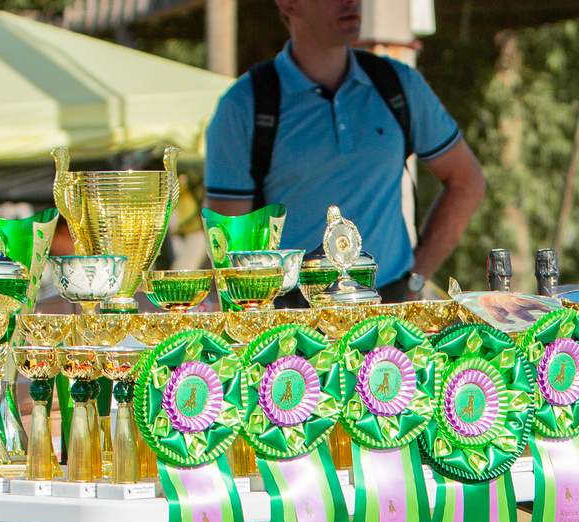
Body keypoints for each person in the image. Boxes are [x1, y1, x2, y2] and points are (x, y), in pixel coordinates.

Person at [203, 0, 485, 301]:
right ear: (288, 5)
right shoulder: (244, 106)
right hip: (289, 323)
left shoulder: (399, 85)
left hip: (390, 314)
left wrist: (416, 279)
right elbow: (228, 251)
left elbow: (467, 182)